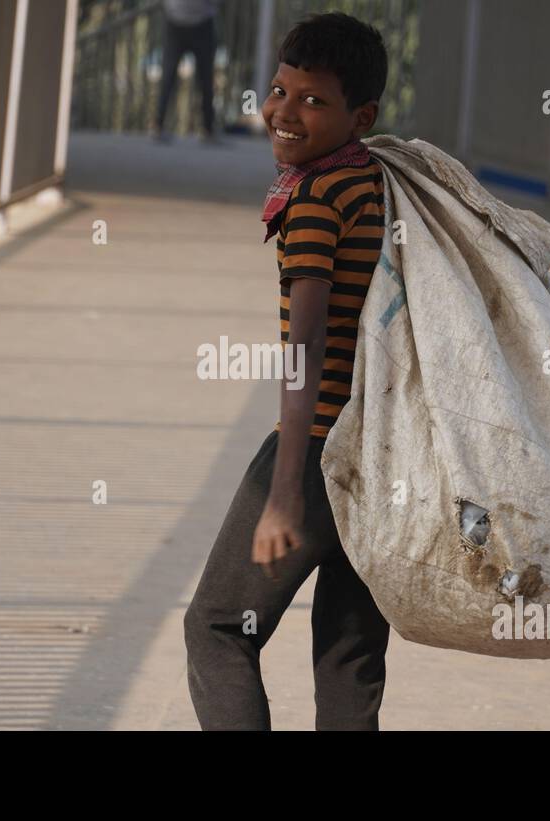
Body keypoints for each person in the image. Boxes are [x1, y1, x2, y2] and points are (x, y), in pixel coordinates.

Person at [183, 13, 391, 730]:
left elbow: (303, 348)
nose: (284, 111)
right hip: (384, 458)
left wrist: (282, 494)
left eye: (313, 100)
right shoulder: (377, 181)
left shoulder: (314, 202)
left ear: (360, 114)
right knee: (348, 658)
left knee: (215, 627)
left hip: (314, 452)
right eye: (279, 90)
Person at [153, 0, 219, 142]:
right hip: (175, 22)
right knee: (168, 75)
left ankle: (208, 129)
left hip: (203, 23)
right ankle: (158, 125)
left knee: (206, 79)